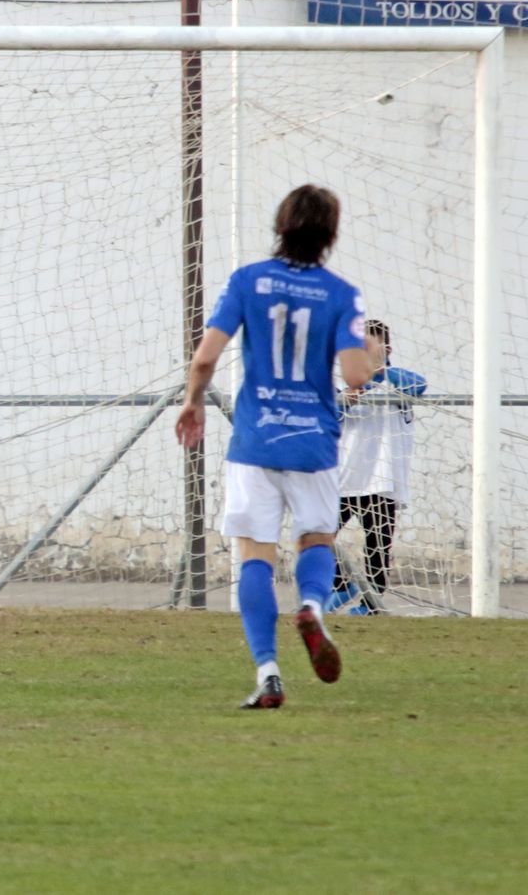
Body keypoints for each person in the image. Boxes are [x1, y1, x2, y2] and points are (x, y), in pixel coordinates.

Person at [175, 184, 371, 709]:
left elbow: (203, 359)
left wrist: (194, 402)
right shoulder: (342, 293)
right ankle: (311, 604)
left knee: (254, 556)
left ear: (280, 225)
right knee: (316, 539)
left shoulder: (247, 281)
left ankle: (268, 673)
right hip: (313, 442)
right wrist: (370, 355)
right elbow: (354, 376)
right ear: (330, 233)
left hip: (257, 438)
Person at [326, 319, 427, 615]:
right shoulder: (338, 387)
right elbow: (325, 416)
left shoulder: (399, 386)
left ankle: (372, 606)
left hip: (382, 482)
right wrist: (344, 401)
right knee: (317, 533)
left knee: (377, 548)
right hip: (342, 480)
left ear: (386, 349)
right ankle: (341, 586)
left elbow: (420, 385)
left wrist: (376, 374)